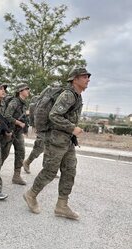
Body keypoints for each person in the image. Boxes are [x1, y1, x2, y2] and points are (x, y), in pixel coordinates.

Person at [23, 67, 91, 220]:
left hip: (67, 141)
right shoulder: (68, 95)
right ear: (75, 79)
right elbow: (54, 115)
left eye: (88, 76)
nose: (88, 79)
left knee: (70, 171)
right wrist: (72, 128)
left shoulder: (77, 96)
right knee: (50, 171)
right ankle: (31, 194)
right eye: (84, 76)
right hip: (56, 140)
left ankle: (62, 206)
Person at [2, 83, 30, 185]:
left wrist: (25, 128)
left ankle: (16, 176)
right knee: (3, 154)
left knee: (21, 152)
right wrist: (18, 123)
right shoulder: (14, 102)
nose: (28, 91)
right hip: (9, 131)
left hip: (18, 132)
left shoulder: (24, 103)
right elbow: (7, 116)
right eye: (26, 89)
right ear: (20, 91)